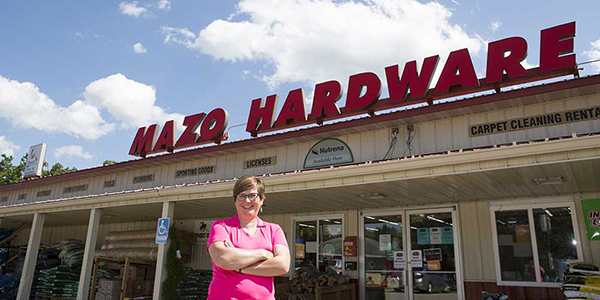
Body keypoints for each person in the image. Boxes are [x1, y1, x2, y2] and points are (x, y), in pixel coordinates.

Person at [207, 175, 291, 300]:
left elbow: (282, 265)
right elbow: (224, 259)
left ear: (262, 199)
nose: (247, 201)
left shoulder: (274, 230)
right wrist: (263, 254)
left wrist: (238, 266)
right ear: (235, 200)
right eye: (241, 196)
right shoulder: (221, 227)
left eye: (252, 195)